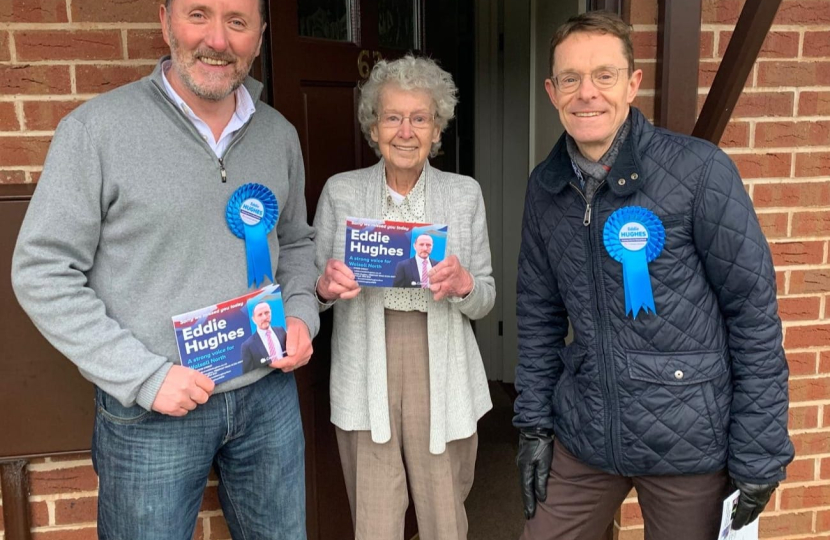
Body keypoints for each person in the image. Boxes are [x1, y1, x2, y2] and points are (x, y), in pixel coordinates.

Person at [11, 0, 317, 538]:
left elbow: (294, 243)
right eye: (199, 14)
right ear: (164, 21)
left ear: (260, 36)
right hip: (153, 407)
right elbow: (42, 270)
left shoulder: (278, 134)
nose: (218, 40)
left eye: (238, 22)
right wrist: (144, 378)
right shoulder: (96, 131)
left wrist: (300, 315)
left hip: (268, 394)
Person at [514, 11, 794, 540]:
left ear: (632, 83)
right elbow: (537, 315)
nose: (586, 93)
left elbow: (752, 313)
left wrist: (760, 448)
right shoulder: (544, 188)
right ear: (552, 91)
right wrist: (533, 424)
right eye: (570, 78)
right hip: (587, 431)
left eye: (604, 75)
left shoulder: (699, 171)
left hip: (688, 435)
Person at [313, 55, 495, 540]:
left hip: (442, 362)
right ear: (373, 126)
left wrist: (465, 286)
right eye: (393, 116)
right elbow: (310, 293)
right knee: (374, 513)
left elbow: (486, 298)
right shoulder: (341, 193)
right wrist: (324, 288)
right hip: (364, 360)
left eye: (420, 118)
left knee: (443, 508)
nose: (406, 131)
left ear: (438, 129)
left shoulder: (464, 195)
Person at [240, 301, 288, 373]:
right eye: (260, 315)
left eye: (267, 313)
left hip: (287, 373)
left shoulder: (281, 330)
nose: (264, 317)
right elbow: (247, 373)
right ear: (253, 319)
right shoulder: (247, 346)